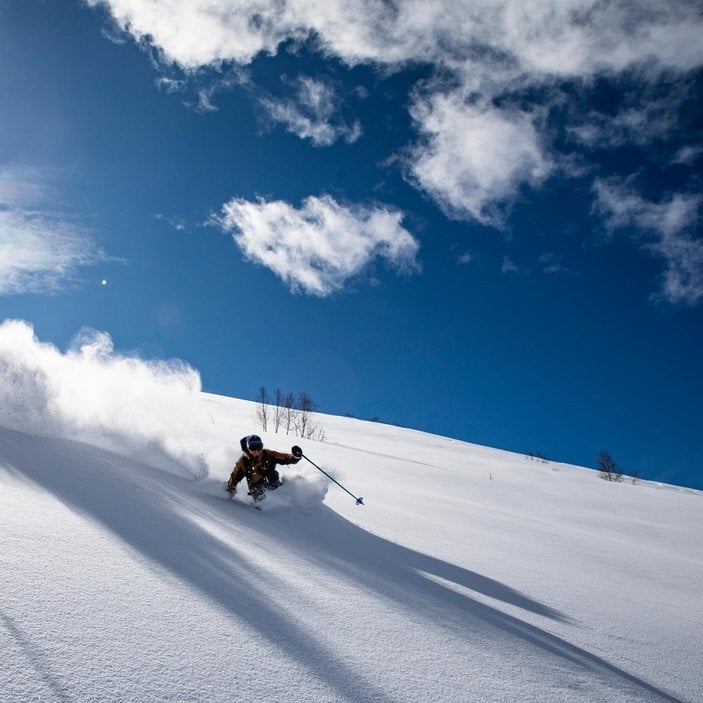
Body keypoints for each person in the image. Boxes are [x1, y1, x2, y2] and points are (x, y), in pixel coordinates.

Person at [227, 434, 302, 500]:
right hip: (257, 488)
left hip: (272, 482)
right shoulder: (244, 462)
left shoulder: (268, 454)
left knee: (272, 476)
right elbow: (234, 478)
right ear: (248, 448)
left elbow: (285, 458)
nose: (256, 451)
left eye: (259, 447)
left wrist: (295, 457)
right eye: (252, 448)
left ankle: (286, 498)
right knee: (257, 485)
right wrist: (229, 491)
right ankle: (262, 508)